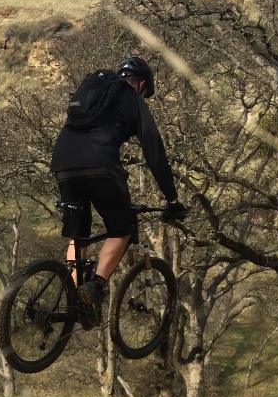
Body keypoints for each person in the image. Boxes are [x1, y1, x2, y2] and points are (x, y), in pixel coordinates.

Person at [50, 56, 187, 309]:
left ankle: (73, 297)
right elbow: (154, 152)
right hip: (100, 165)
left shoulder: (94, 94)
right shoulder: (133, 98)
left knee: (77, 233)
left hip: (62, 163)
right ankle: (96, 285)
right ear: (142, 84)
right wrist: (172, 199)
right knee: (121, 229)